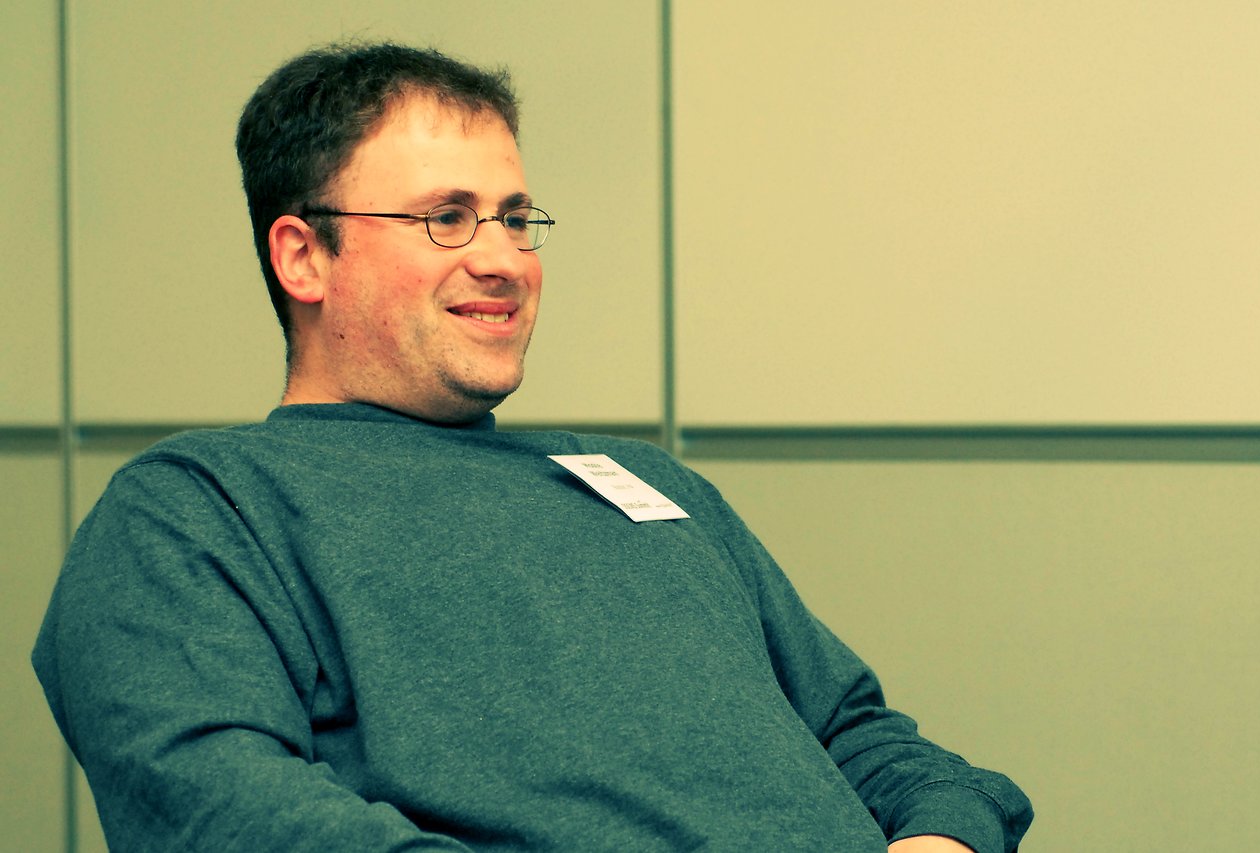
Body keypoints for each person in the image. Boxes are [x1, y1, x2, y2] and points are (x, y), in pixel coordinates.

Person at [33, 42, 1032, 852]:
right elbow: (227, 814)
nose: (504, 259)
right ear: (302, 254)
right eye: (447, 219)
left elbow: (863, 738)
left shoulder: (646, 482)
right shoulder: (199, 509)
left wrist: (939, 837)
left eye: (516, 218)